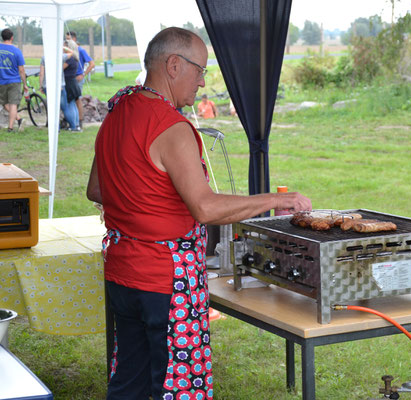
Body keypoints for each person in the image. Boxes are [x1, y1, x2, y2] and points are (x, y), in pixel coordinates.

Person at [86, 27, 311, 400]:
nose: (203, 83)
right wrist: (274, 199)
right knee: (178, 385)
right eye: (200, 70)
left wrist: (141, 202)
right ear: (173, 65)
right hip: (165, 279)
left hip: (123, 271)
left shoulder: (118, 110)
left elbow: (97, 189)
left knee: (130, 381)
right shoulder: (172, 126)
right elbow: (205, 207)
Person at [66, 31, 95, 128]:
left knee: (77, 99)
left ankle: (80, 120)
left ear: (74, 39)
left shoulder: (80, 50)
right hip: (69, 78)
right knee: (69, 100)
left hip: (77, 78)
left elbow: (92, 64)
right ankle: (71, 120)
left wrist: (83, 74)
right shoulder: (68, 52)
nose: (67, 41)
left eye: (68, 39)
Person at [0, 28, 26, 132]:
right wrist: (25, 84)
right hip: (14, 81)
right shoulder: (16, 51)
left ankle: (18, 121)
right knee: (12, 104)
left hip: (1, 81)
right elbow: (21, 70)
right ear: (12, 37)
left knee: (5, 103)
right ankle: (12, 126)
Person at [61, 40, 81, 131]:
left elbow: (60, 68)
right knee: (73, 104)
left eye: (64, 46)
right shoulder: (75, 58)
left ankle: (73, 125)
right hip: (73, 83)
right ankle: (76, 124)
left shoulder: (70, 59)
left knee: (70, 105)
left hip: (69, 83)